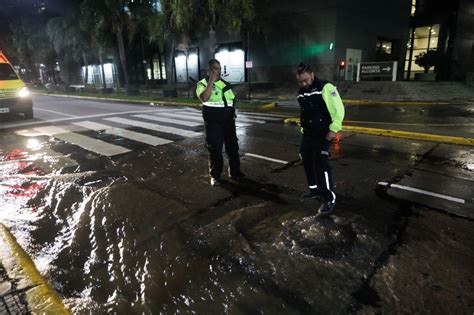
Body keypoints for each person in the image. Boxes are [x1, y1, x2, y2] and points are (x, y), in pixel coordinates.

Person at [296, 63, 345, 214]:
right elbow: (304, 113)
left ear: (311, 74)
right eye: (300, 81)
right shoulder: (301, 93)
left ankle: (328, 198)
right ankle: (314, 189)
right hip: (309, 133)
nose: (304, 83)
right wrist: (303, 129)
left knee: (320, 162)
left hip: (324, 133)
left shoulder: (326, 87)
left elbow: (339, 109)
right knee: (306, 157)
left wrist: (334, 129)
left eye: (306, 80)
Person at [196, 59, 246, 186]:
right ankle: (215, 176)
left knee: (233, 148)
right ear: (208, 70)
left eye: (218, 68)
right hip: (213, 123)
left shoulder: (225, 84)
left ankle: (235, 172)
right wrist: (211, 81)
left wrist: (234, 111)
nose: (217, 71)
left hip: (228, 122)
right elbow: (204, 97)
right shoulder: (202, 84)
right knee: (216, 149)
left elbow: (231, 100)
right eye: (214, 68)